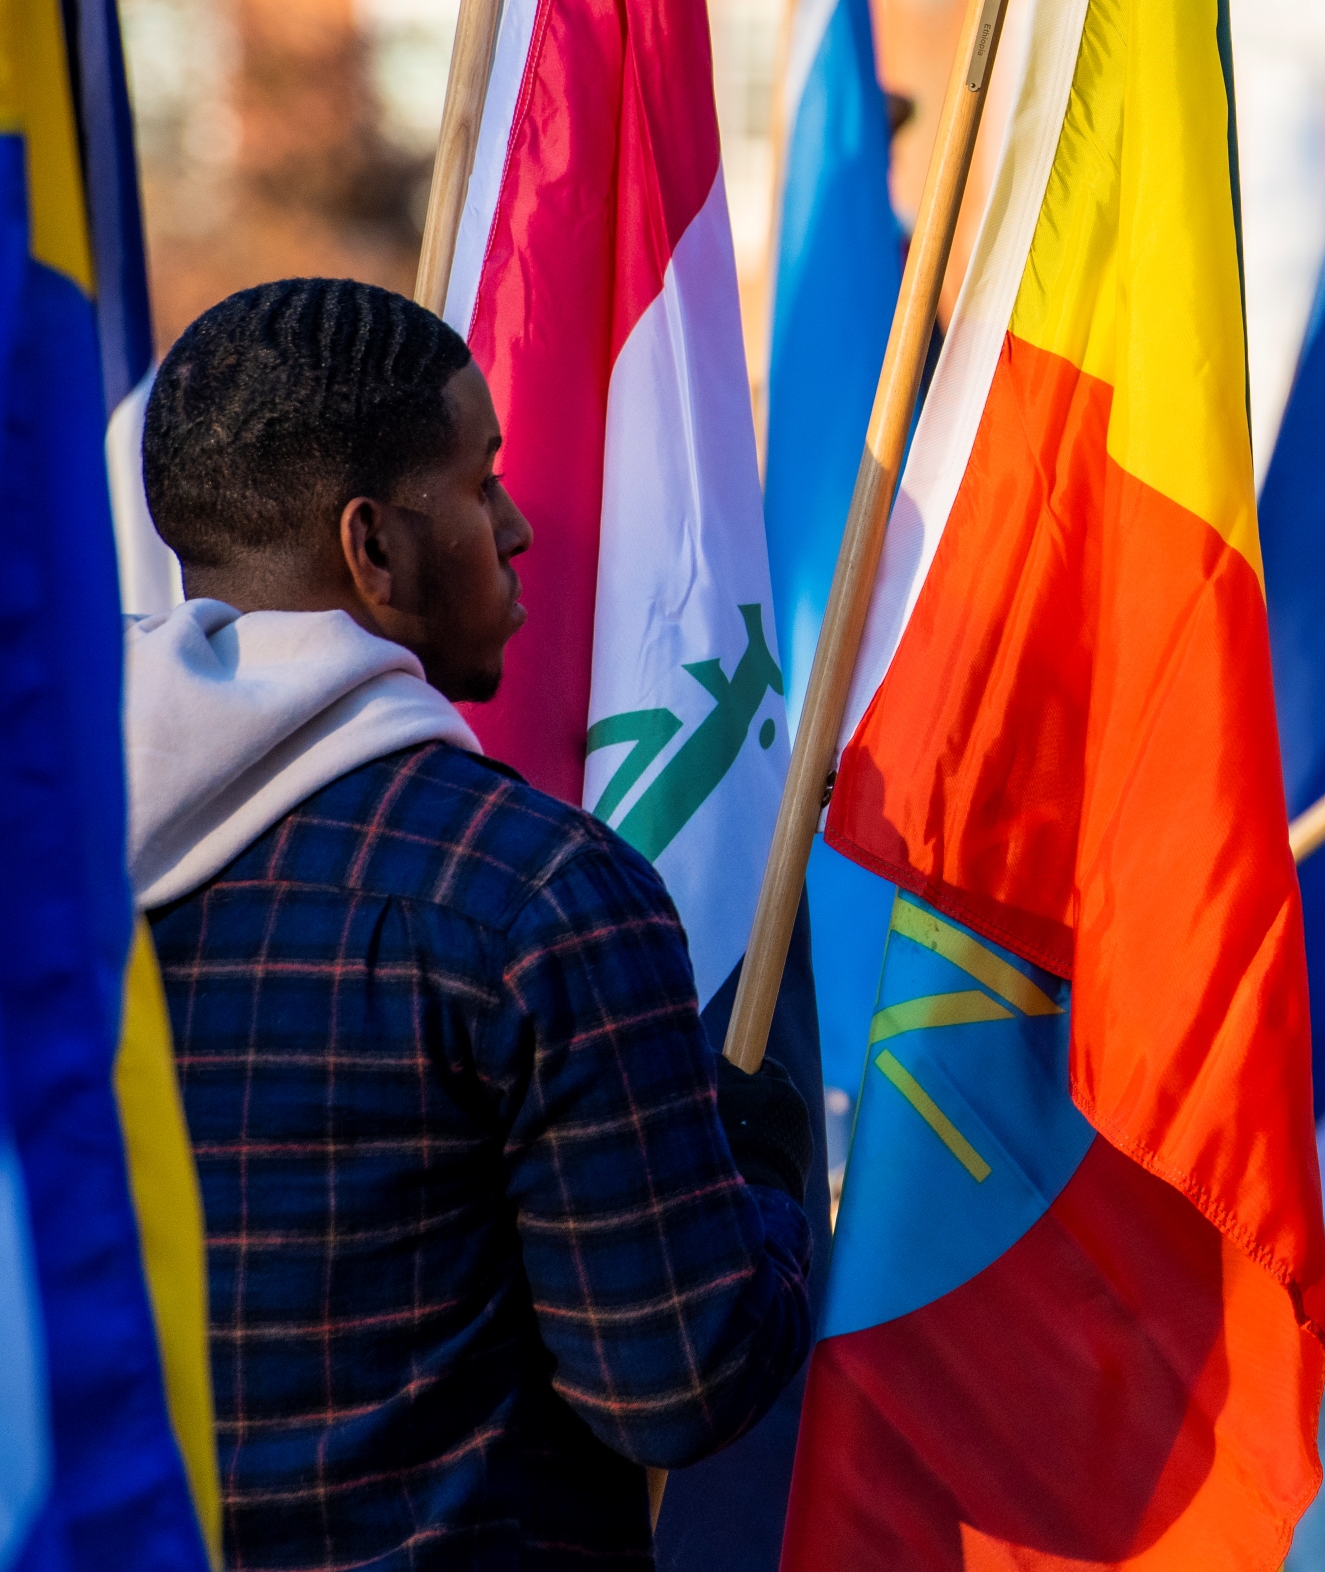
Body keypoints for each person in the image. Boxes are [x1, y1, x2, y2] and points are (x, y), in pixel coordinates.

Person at [127, 277, 814, 1566]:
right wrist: (768, 1179)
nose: (517, 526)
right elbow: (670, 1382)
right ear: (372, 546)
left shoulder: (27, 881)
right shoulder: (541, 892)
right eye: (478, 480)